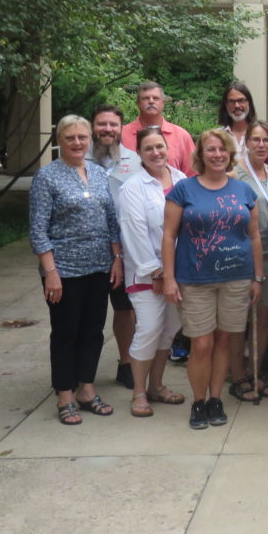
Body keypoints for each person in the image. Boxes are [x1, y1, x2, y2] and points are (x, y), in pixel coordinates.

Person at [162, 129, 264, 430]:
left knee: (223, 342)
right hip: (195, 278)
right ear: (201, 154)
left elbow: (254, 235)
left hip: (236, 278)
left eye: (222, 149)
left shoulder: (244, 191)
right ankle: (198, 401)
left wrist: (258, 277)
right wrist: (169, 278)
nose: (217, 154)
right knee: (202, 343)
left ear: (230, 154)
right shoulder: (184, 190)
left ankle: (216, 398)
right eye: (211, 149)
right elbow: (168, 236)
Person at [29, 115, 123, 425]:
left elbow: (111, 219)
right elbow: (38, 229)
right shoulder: (47, 177)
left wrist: (117, 257)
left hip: (98, 268)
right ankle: (65, 394)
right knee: (66, 332)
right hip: (64, 271)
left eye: (83, 137)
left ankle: (86, 387)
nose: (77, 143)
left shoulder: (97, 173)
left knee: (93, 331)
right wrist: (50, 271)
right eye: (70, 137)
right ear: (60, 140)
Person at [118, 127, 187, 417]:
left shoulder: (183, 180)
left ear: (167, 147)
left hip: (179, 273)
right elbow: (133, 234)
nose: (156, 152)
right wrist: (157, 273)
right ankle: (139, 393)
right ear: (140, 154)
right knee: (147, 329)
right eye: (149, 148)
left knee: (169, 331)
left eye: (159, 146)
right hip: (148, 275)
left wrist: (175, 273)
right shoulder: (132, 187)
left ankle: (157, 386)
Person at [86, 104, 140, 391]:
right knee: (89, 312)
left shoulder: (134, 159)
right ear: (93, 127)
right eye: (102, 124)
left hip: (125, 250)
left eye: (113, 125)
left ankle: (126, 362)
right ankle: (83, 370)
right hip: (90, 250)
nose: (107, 129)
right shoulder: (78, 156)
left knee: (124, 309)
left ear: (121, 129)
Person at [228, 120, 268, 403]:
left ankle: (255, 372)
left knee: (264, 316)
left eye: (266, 140)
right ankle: (237, 376)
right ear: (246, 143)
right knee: (240, 319)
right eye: (256, 140)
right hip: (245, 255)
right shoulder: (235, 174)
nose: (261, 145)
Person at [121, 81, 196, 175]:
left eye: (156, 98)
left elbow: (193, 174)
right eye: (146, 98)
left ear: (163, 103)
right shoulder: (122, 135)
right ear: (138, 103)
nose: (151, 101)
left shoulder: (181, 136)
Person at [218, 81, 256, 158]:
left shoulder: (264, 135)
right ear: (226, 105)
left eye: (241, 100)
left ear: (249, 102)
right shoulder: (217, 136)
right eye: (232, 101)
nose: (237, 105)